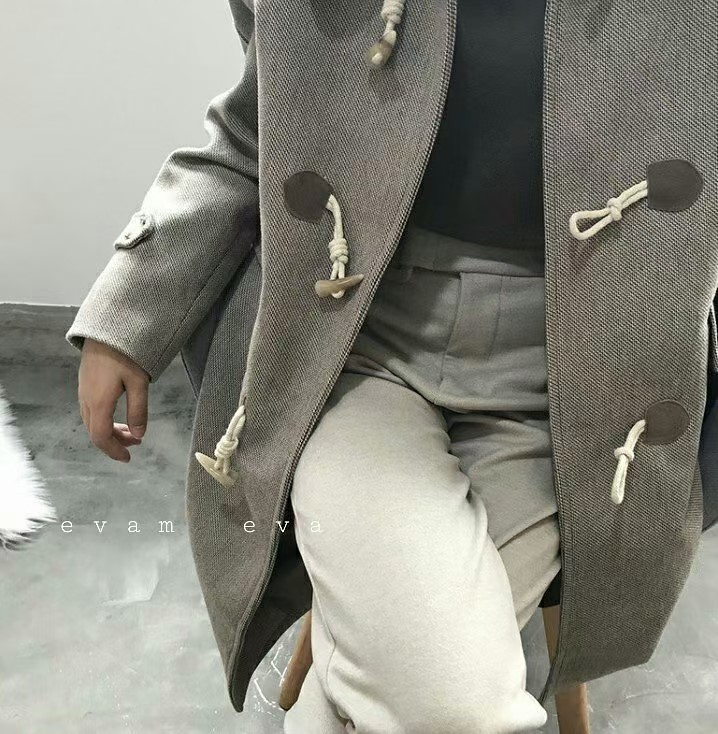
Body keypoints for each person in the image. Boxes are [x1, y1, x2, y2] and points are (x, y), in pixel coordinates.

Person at [68, 1, 718, 732]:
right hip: (356, 347)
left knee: (422, 688)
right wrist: (129, 309)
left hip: (570, 381)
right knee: (446, 699)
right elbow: (255, 136)